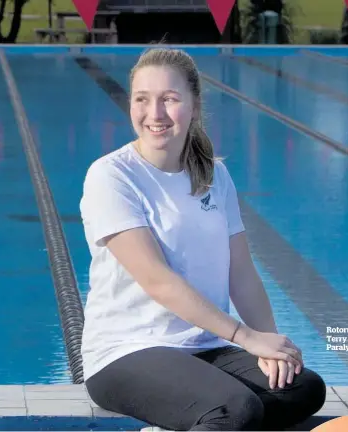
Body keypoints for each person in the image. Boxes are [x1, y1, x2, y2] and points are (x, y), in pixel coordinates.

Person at [79, 47, 326, 431]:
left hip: (202, 349)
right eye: (143, 99)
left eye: (170, 99)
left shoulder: (213, 175)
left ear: (194, 106)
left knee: (303, 388)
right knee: (235, 409)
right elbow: (158, 281)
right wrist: (243, 336)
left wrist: (270, 342)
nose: (155, 114)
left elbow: (241, 272)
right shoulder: (112, 177)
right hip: (126, 351)